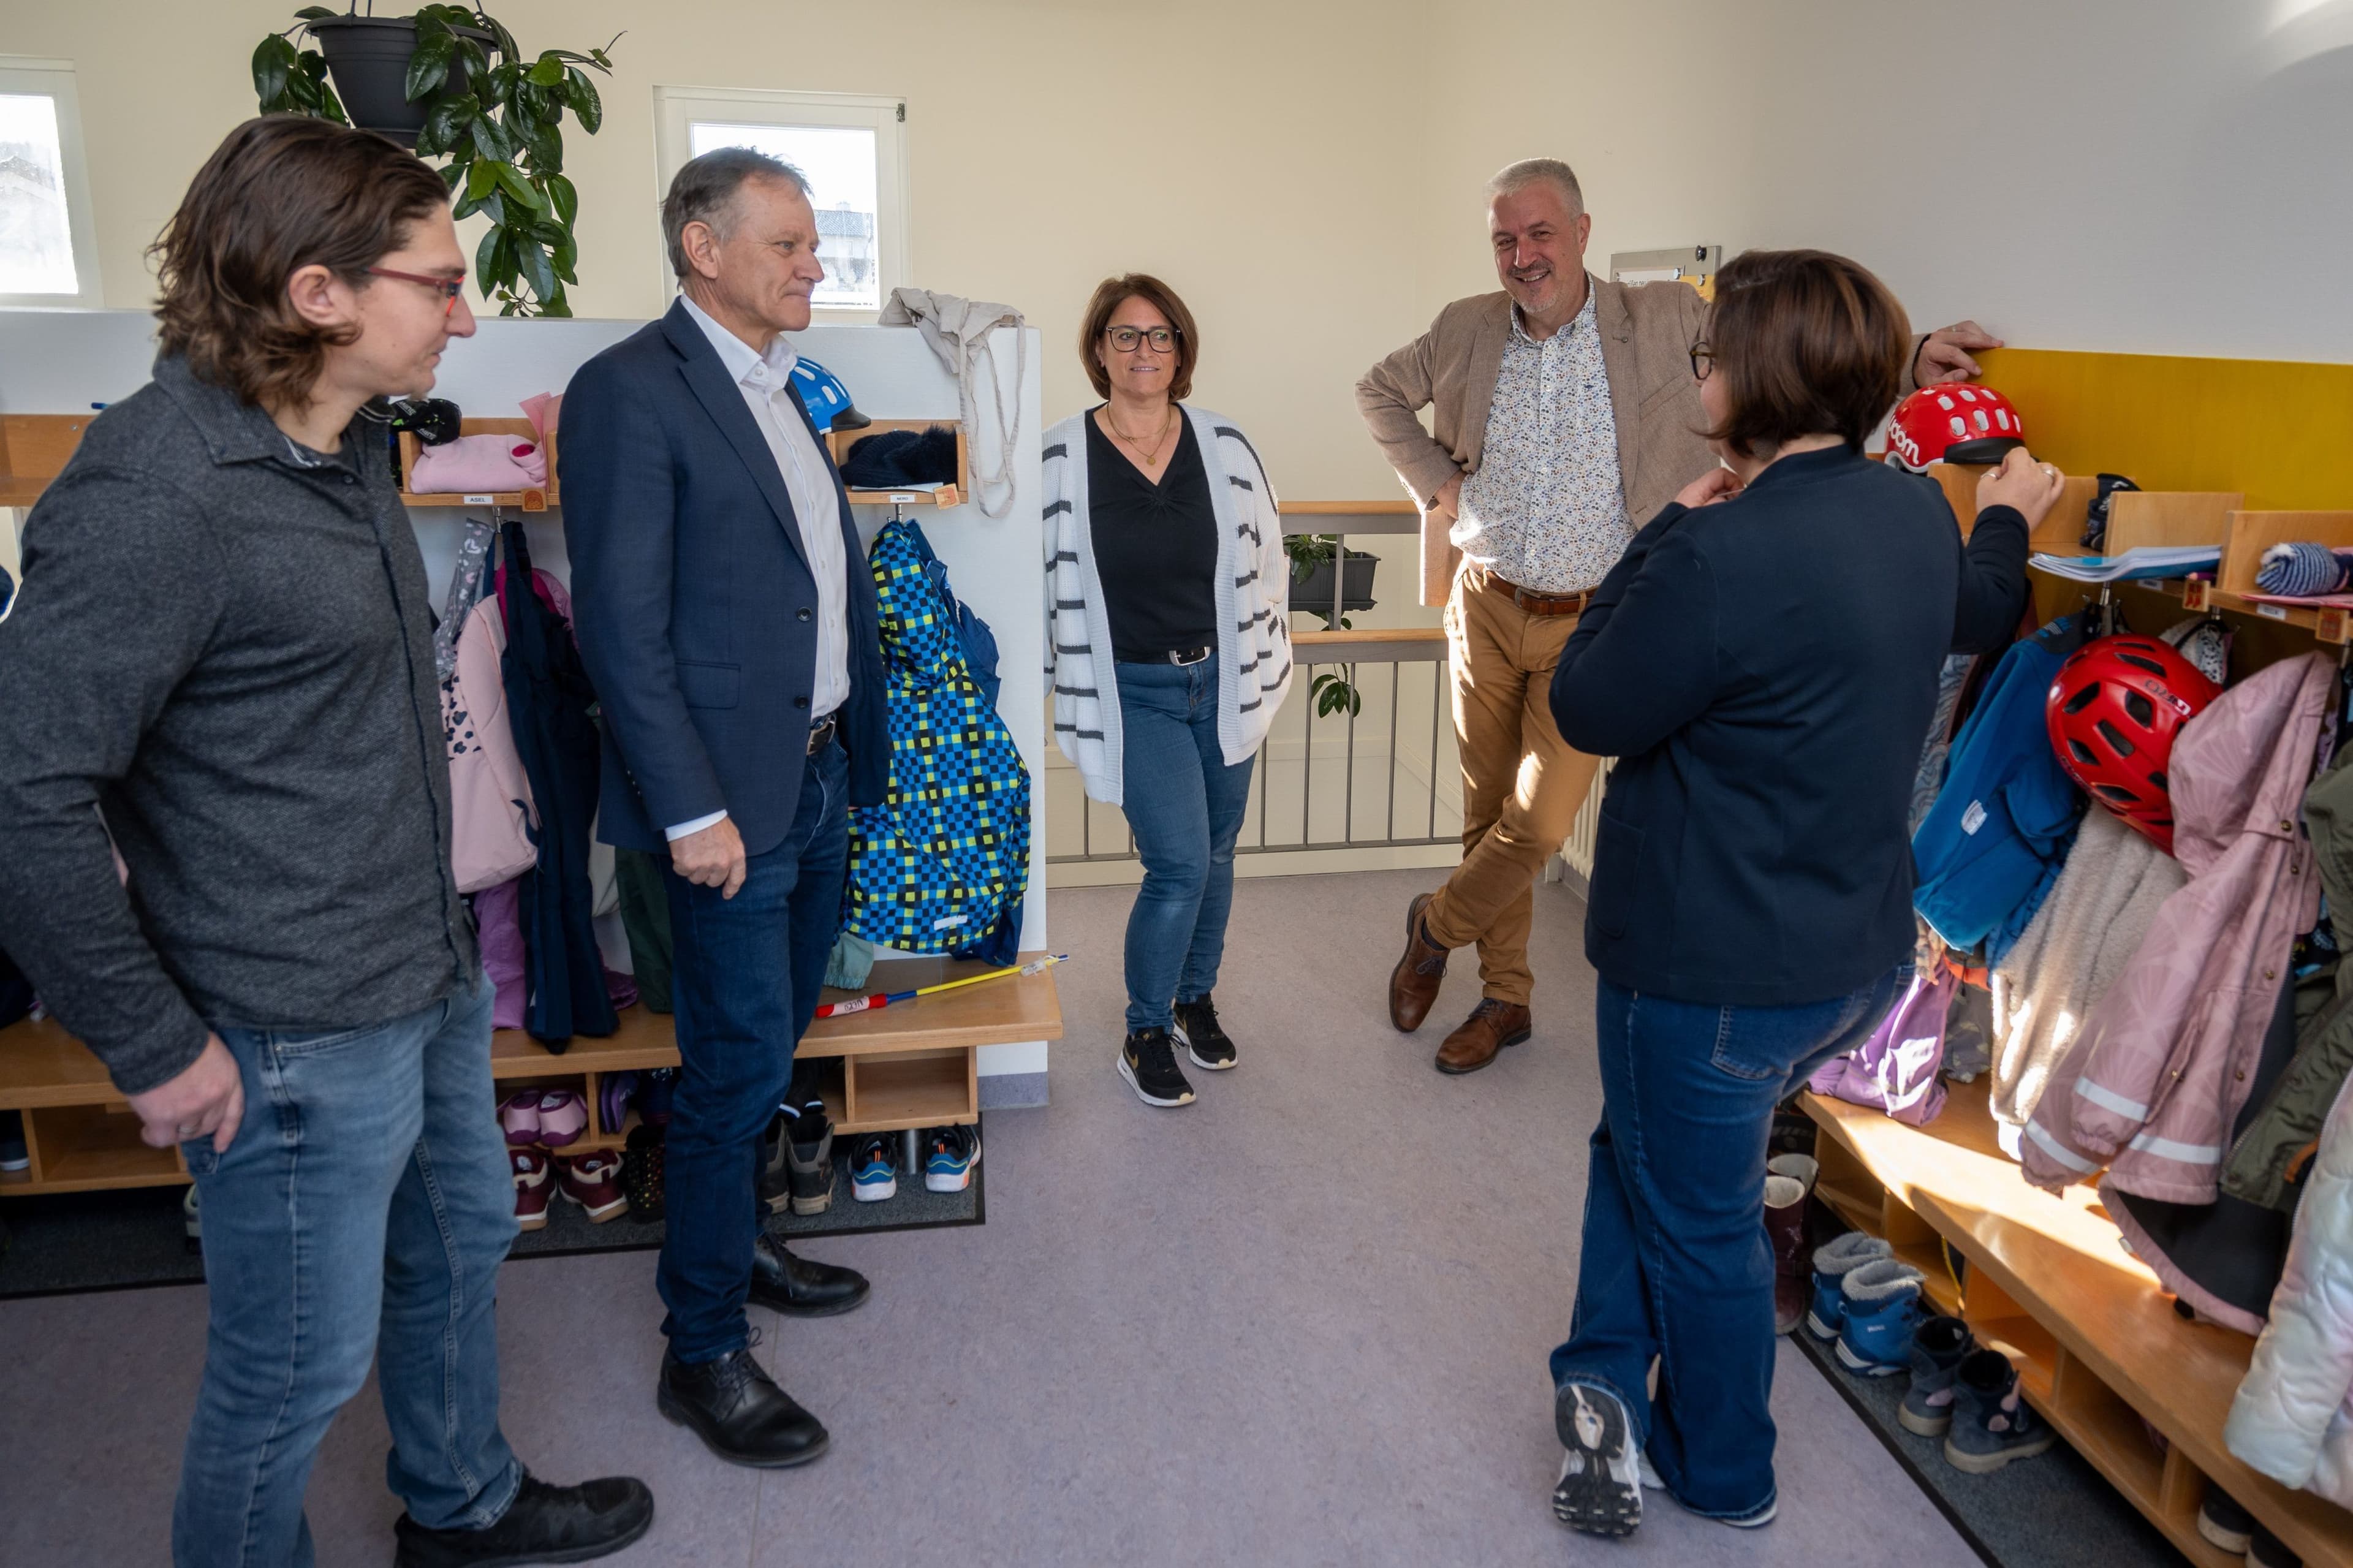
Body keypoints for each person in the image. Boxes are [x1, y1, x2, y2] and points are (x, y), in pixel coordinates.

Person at [0, 118, 651, 1567]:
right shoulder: (154, 495)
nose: (465, 311)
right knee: (291, 1369)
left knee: (462, 1246)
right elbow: (21, 791)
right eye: (441, 280)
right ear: (319, 295)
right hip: (285, 1029)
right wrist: (153, 1042)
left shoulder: (343, 444)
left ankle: (462, 1502)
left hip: (414, 975)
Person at [1539, 248, 2056, 1537]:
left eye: (1712, 354)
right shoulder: (1905, 515)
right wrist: (2006, 503)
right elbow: (1989, 598)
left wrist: (1669, 521)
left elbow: (1586, 698)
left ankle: (1725, 1467)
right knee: (1643, 1151)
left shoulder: (1717, 553)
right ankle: (1601, 1374)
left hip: (1708, 974)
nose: (1699, 371)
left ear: (1756, 377)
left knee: (1701, 1219)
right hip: (1853, 964)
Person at [1357, 157, 1999, 1074]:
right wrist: (1438, 485)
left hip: (1597, 616)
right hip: (1488, 602)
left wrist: (1909, 357)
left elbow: (1791, 354)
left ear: (1582, 232)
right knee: (1486, 811)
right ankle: (1506, 999)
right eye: (1505, 239)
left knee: (1534, 827)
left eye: (1541, 233)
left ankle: (1435, 925)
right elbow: (1377, 393)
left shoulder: (1662, 315)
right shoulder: (1464, 327)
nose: (1523, 255)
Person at [561, 147, 887, 1467]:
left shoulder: (780, 387)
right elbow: (623, 632)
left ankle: (741, 1243)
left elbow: (809, 584)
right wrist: (690, 809)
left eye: (815, 243)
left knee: (771, 1041)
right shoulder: (629, 391)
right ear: (704, 248)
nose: (815, 263)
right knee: (729, 1068)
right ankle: (700, 1348)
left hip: (810, 778)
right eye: (790, 243)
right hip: (728, 811)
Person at [1042, 275, 1293, 1108]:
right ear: (1099, 350)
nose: (1143, 350)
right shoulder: (1060, 457)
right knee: (1179, 862)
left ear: (1181, 350)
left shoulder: (1224, 446)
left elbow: (1269, 563)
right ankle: (1144, 1027)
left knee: (1219, 853)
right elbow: (1037, 582)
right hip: (1133, 692)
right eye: (1125, 335)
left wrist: (1264, 658)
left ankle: (1194, 999)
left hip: (1223, 681)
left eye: (1160, 336)